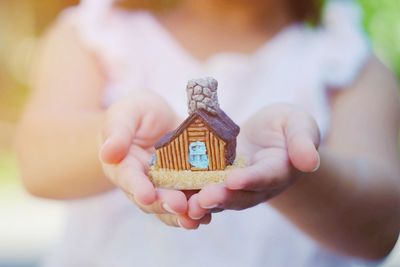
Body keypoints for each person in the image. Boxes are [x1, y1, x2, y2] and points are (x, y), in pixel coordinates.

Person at [16, 0, 400, 266]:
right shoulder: (96, 34)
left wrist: (297, 171)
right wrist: (113, 135)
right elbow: (35, 164)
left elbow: (380, 230)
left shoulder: (348, 63)